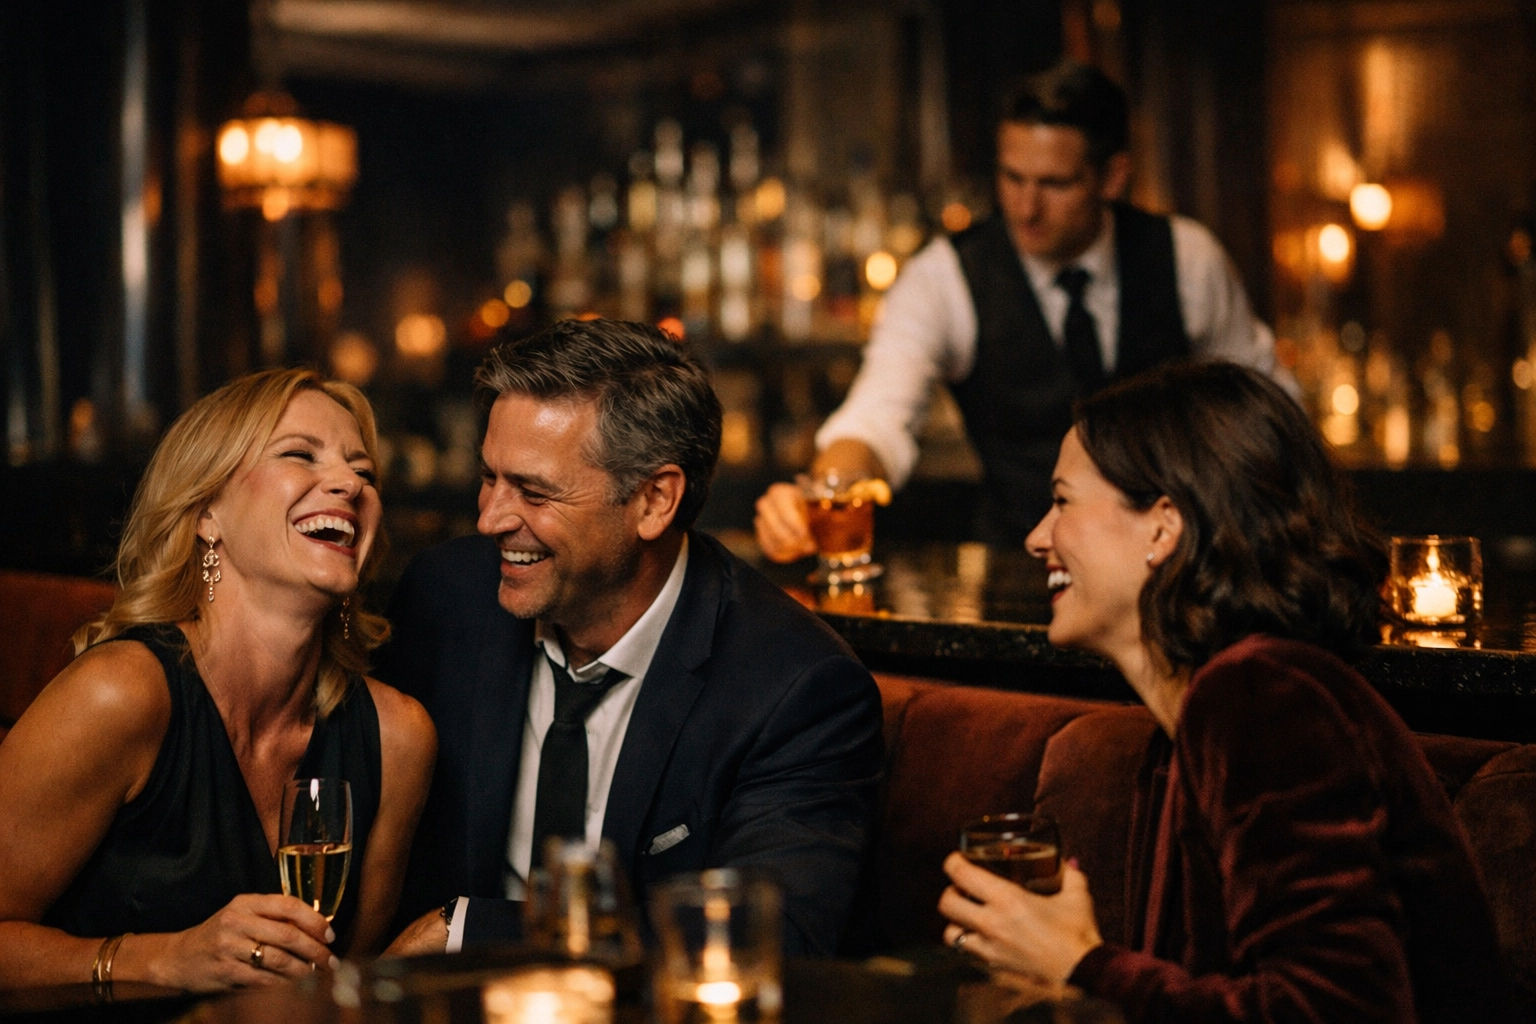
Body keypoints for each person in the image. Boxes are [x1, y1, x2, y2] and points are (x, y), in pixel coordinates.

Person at [936, 361, 1518, 1022]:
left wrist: (1082, 964)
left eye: (1063, 500)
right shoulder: (1203, 712)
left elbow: (1339, 1010)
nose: (1036, 537)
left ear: (1164, 525)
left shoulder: (1263, 699)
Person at [378, 318, 883, 955]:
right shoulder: (446, 600)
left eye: (534, 492)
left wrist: (471, 931)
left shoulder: (792, 688)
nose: (490, 519)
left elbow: (773, 937)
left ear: (653, 501)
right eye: (489, 478)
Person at [0, 369, 437, 993]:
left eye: (363, 472)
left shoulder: (398, 739)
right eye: (299, 454)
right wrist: (158, 959)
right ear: (208, 513)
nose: (350, 484)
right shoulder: (122, 694)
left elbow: (339, 989)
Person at [756, 60, 1288, 553]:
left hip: (1175, 568)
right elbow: (875, 418)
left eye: (1054, 184)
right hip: (1022, 564)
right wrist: (821, 494)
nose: (1026, 208)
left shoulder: (1186, 259)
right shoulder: (944, 276)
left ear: (1113, 177)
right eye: (1012, 178)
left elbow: (1268, 408)